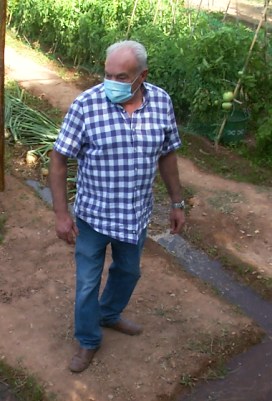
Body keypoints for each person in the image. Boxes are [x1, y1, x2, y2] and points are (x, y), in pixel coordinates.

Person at [50, 40, 185, 373]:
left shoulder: (162, 102)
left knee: (129, 272)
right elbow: (58, 159)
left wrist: (177, 202)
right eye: (107, 74)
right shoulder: (86, 105)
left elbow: (167, 155)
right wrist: (61, 214)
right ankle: (88, 340)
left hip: (135, 215)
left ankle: (108, 314)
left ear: (142, 76)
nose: (110, 82)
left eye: (121, 76)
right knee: (86, 283)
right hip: (94, 217)